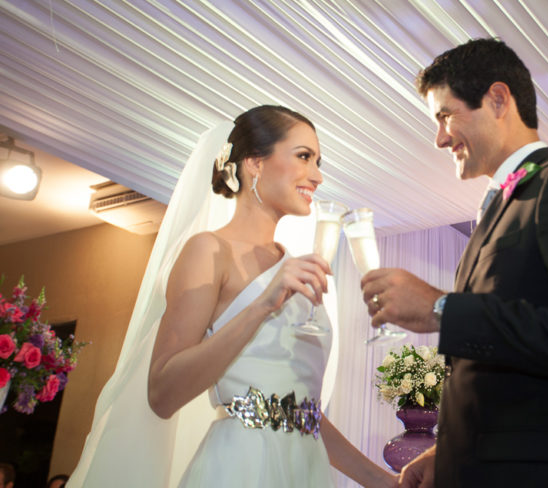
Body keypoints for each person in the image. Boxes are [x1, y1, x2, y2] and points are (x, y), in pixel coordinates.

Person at [361, 38, 548, 487]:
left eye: (445, 115)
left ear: (498, 99)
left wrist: (443, 309)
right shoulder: (494, 212)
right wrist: (448, 450)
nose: (439, 138)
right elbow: (513, 375)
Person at [69, 106, 395, 487]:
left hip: (304, 470)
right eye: (304, 157)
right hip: (241, 468)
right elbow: (162, 394)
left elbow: (297, 410)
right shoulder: (208, 251)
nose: (318, 176)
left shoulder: (296, 266)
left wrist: (382, 480)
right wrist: (262, 305)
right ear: (255, 163)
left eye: (318, 162)